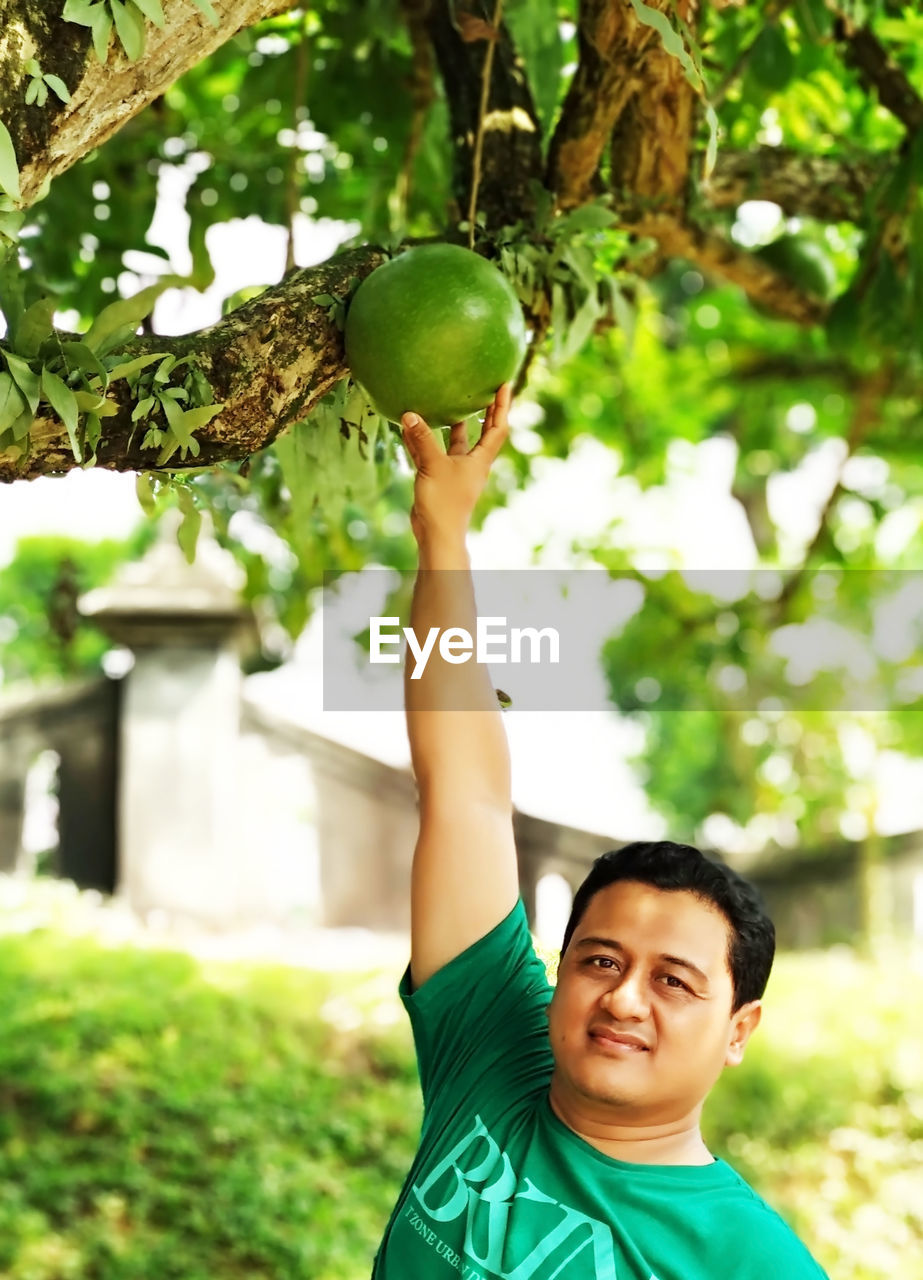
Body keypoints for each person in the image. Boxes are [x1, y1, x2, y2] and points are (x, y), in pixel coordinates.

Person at [371, 384, 829, 1280]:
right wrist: (444, 534)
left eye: (673, 981)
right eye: (601, 960)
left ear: (739, 1029)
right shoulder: (491, 1053)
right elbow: (463, 787)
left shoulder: (754, 1262)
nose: (623, 999)